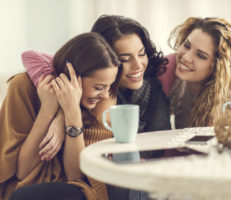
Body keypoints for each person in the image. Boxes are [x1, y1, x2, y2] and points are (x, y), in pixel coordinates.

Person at [20, 15, 171, 200]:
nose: (138, 65)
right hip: (108, 178)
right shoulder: (96, 94)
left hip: (140, 173)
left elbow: (160, 147)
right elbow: (31, 56)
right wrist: (61, 108)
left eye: (141, 53)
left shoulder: (149, 90)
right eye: (125, 58)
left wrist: (64, 114)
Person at [0, 32, 121, 200]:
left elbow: (76, 177)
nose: (105, 95)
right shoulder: (23, 87)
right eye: (99, 87)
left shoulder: (102, 102)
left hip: (72, 191)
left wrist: (71, 114)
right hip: (26, 189)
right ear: (73, 77)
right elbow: (23, 171)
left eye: (110, 86)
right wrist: (48, 111)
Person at [159, 17, 231, 128]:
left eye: (201, 56)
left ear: (218, 67)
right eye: (187, 45)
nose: (186, 57)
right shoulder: (179, 86)